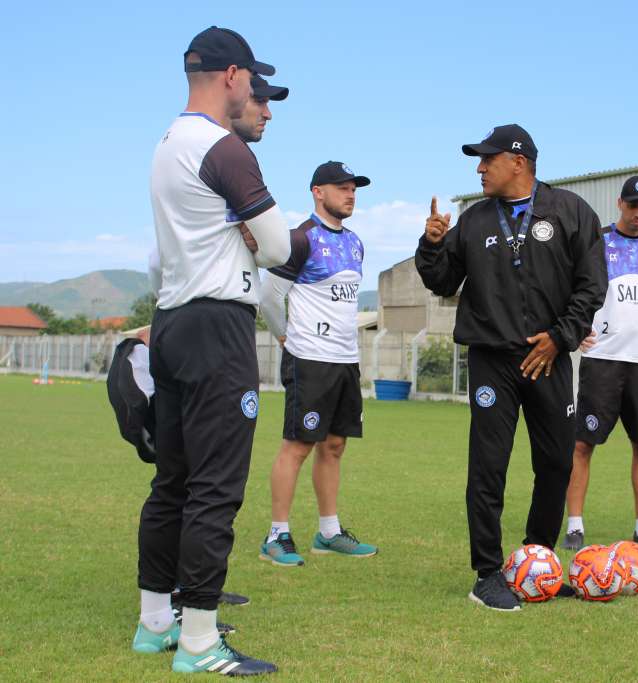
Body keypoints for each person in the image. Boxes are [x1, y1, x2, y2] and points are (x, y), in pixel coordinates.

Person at [134, 26, 291, 676]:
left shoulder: (168, 142)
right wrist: (252, 237)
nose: (256, 93)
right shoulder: (223, 147)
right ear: (231, 76)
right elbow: (279, 247)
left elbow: (156, 258)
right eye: (253, 80)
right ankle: (199, 641)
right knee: (214, 487)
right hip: (215, 328)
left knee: (172, 482)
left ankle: (156, 623)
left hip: (172, 321)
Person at [415, 124, 606, 610]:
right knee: (488, 465)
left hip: (550, 358)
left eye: (487, 159)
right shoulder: (475, 220)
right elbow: (440, 281)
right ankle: (486, 573)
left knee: (557, 463)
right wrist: (432, 244)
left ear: (518, 162)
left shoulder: (571, 211)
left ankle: (536, 563)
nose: (479, 168)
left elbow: (591, 285)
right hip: (492, 360)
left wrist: (560, 338)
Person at [258, 161, 377, 566]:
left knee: (336, 445)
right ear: (317, 192)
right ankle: (277, 534)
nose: (350, 194)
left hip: (345, 359)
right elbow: (269, 297)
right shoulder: (299, 239)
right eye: (342, 188)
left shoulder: (357, 242)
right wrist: (283, 336)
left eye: (354, 189)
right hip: (308, 358)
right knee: (298, 445)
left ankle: (328, 532)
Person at [562, 175, 638, 552]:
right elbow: (567, 285)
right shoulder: (596, 241)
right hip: (602, 359)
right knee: (583, 443)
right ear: (620, 203)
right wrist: (576, 327)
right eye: (632, 205)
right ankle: (575, 525)